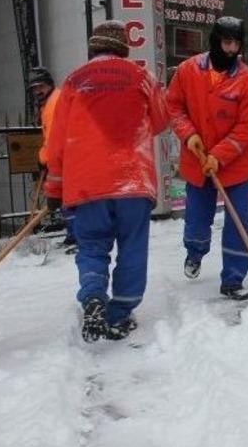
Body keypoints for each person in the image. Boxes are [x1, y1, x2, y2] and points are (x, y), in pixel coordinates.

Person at [44, 20, 168, 342]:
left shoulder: (72, 82)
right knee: (132, 247)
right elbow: (160, 120)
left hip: (87, 184)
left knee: (92, 246)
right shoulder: (143, 78)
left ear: (93, 48)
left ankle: (94, 296)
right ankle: (119, 314)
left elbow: (56, 143)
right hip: (132, 181)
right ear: (124, 48)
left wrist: (54, 189)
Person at [166, 16, 248, 301]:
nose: (231, 49)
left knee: (238, 222)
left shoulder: (247, 82)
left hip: (234, 165)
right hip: (197, 160)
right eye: (226, 42)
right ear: (215, 41)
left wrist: (219, 156)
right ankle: (195, 252)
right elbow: (173, 106)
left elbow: (246, 129)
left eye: (236, 43)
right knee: (197, 219)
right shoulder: (187, 70)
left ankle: (233, 278)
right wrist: (189, 135)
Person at [29, 66, 76, 250]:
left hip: (64, 158)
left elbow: (54, 138)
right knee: (67, 199)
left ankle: (75, 237)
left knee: (67, 199)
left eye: (41, 86)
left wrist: (44, 159)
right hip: (63, 156)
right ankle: (73, 235)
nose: (38, 91)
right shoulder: (51, 101)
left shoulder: (54, 104)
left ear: (49, 84)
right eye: (34, 88)